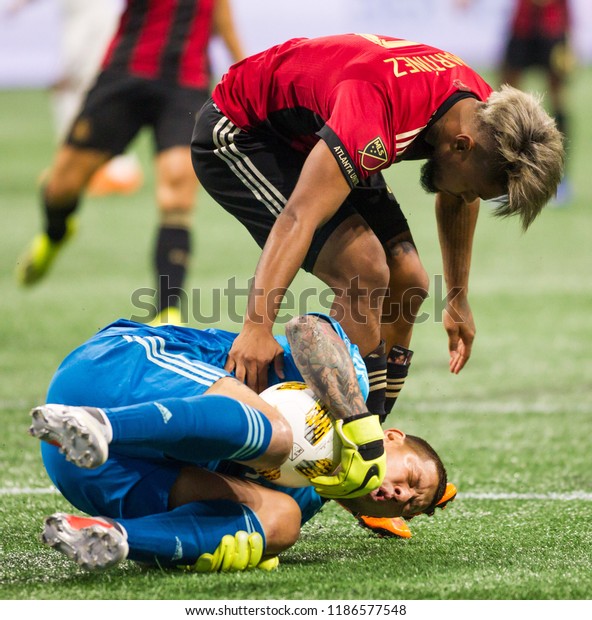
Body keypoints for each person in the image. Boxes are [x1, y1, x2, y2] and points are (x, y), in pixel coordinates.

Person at [191, 33, 565, 424]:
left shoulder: (486, 113)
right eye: (474, 188)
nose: (468, 196)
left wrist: (457, 297)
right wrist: (256, 326)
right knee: (364, 269)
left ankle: (370, 439)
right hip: (242, 131)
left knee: (411, 281)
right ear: (461, 146)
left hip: (325, 127)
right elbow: (298, 216)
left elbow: (457, 199)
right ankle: (337, 438)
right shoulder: (377, 111)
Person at [28, 313, 450, 571]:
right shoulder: (347, 387)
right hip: (110, 374)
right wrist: (358, 423)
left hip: (86, 472)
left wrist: (205, 545)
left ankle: (112, 538)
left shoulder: (306, 502)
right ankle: (104, 425)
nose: (399, 492)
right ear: (391, 437)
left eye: (407, 503)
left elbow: (263, 521)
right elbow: (306, 328)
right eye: (411, 477)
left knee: (281, 521)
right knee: (279, 438)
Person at [16, 0, 245, 325]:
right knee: (60, 187)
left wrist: (243, 71)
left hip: (186, 83)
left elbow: (220, 14)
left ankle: (168, 311)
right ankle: (56, 233)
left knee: (177, 193)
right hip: (125, 74)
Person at [499, 0, 573, 204]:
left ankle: (560, 179)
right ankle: (504, 176)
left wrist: (568, 34)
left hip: (553, 26)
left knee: (559, 100)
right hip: (522, 25)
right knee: (506, 99)